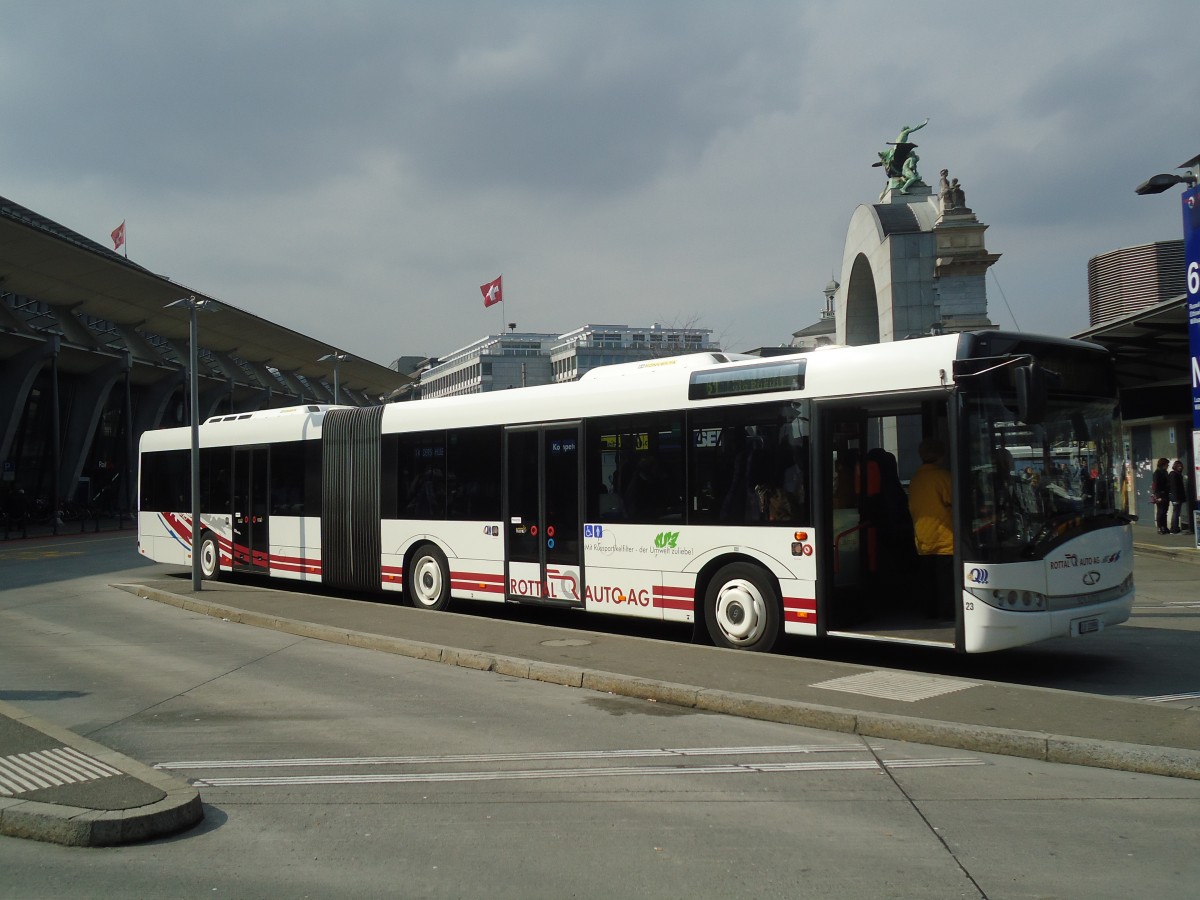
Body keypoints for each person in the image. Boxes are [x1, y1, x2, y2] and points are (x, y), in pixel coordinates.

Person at [908, 438, 954, 620]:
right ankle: (947, 615)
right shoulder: (943, 477)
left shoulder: (916, 479)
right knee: (946, 584)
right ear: (942, 456)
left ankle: (930, 614)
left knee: (929, 582)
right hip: (946, 538)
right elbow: (955, 502)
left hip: (923, 539)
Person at [1152, 457, 1171, 534]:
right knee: (1160, 511)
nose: (1168, 466)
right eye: (1167, 464)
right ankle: (1160, 527)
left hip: (1165, 494)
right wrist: (1158, 496)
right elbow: (1155, 485)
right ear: (1163, 464)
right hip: (1160, 494)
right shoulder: (1157, 473)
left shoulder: (1165, 472)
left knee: (1165, 511)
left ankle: (1165, 527)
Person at [1168, 459, 1187, 534]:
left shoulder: (1177, 474)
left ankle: (1175, 527)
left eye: (1181, 466)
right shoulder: (1173, 474)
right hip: (1176, 497)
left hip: (1178, 496)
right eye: (1178, 466)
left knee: (1176, 512)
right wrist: (1176, 498)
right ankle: (1174, 528)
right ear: (1175, 466)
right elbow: (1174, 487)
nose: (1180, 467)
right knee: (1176, 512)